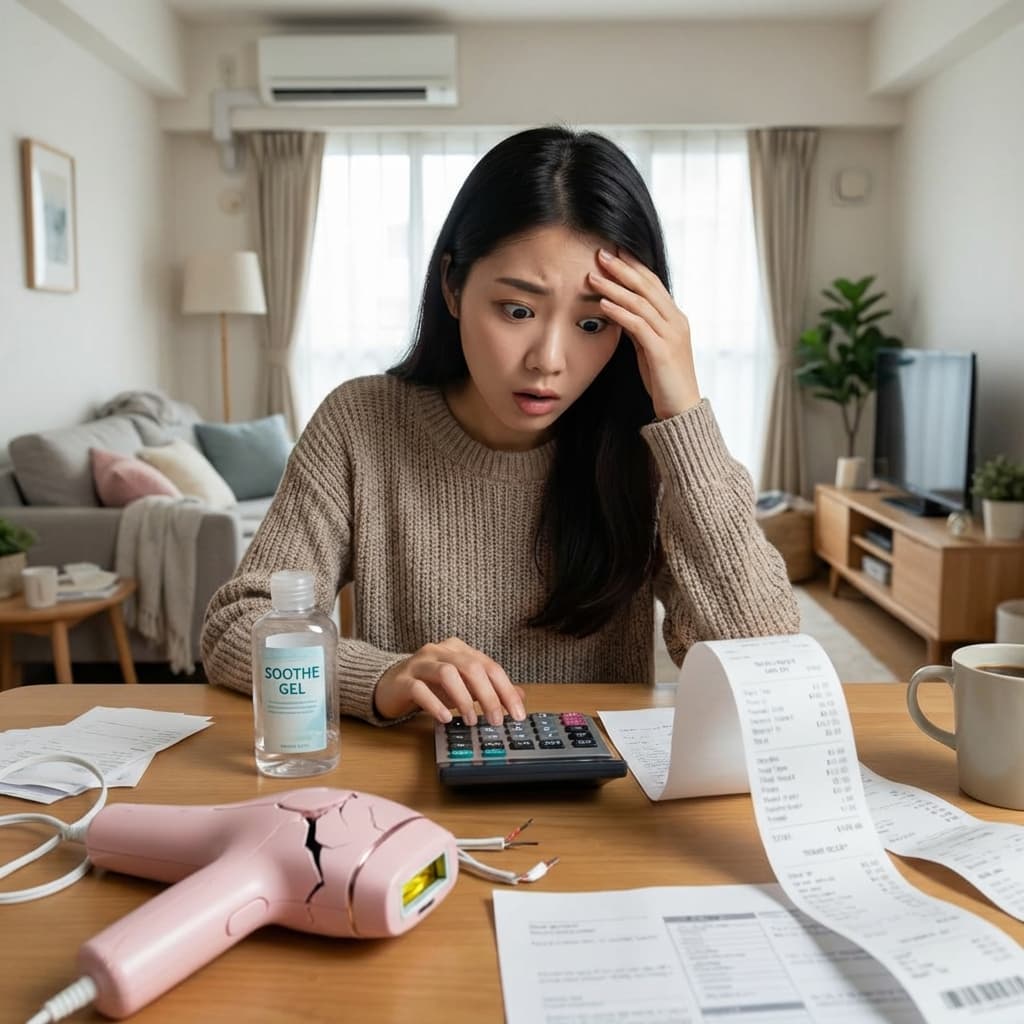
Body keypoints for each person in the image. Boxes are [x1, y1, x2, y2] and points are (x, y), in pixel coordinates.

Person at [201, 125, 799, 729]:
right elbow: (236, 627)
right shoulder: (361, 423)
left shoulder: (651, 450)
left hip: (601, 798)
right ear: (453, 286)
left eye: (593, 325)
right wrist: (383, 676)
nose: (549, 360)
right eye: (517, 311)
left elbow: (767, 657)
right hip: (417, 797)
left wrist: (683, 415)